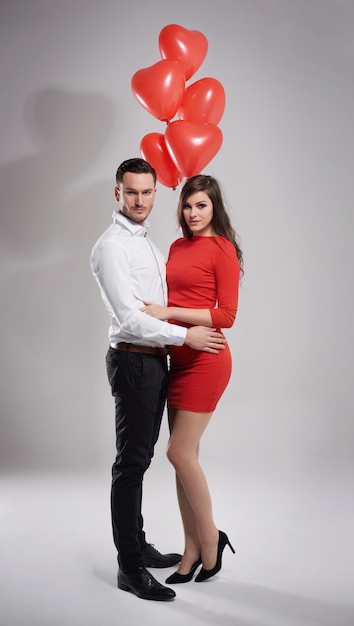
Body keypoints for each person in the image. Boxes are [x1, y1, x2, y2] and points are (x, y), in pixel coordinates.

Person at [89, 159, 227, 601]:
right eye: (132, 193)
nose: (141, 200)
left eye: (148, 192)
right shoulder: (113, 246)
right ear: (118, 194)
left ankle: (140, 545)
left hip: (156, 361)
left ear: (155, 193)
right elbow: (130, 317)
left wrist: (176, 333)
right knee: (130, 465)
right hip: (134, 360)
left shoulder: (146, 241)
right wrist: (184, 334)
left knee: (144, 460)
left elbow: (166, 302)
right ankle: (129, 567)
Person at [141, 174, 243, 584]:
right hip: (177, 361)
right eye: (187, 206)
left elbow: (227, 316)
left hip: (207, 360)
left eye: (201, 205)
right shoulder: (178, 247)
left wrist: (170, 315)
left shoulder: (223, 249)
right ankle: (191, 551)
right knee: (187, 462)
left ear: (215, 206)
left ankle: (212, 538)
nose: (193, 213)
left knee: (177, 453)